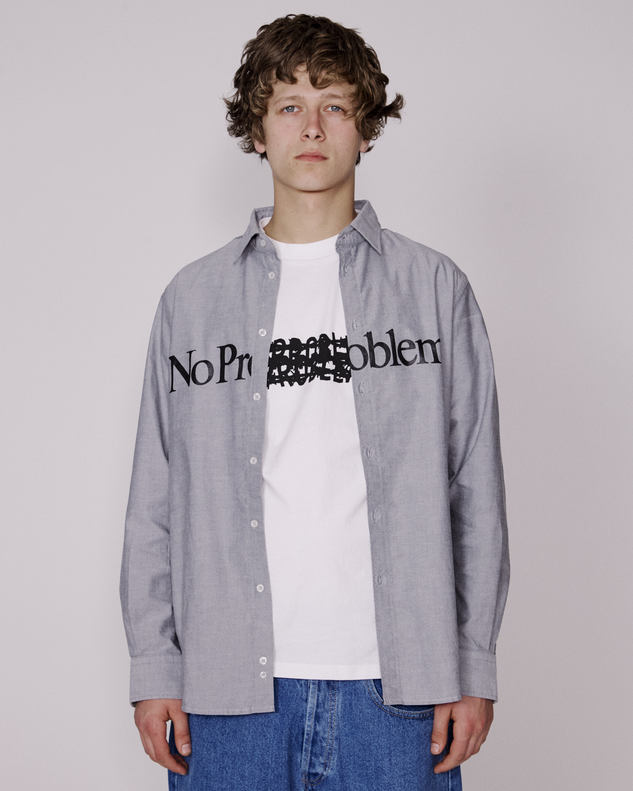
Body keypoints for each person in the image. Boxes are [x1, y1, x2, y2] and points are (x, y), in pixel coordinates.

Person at [120, 14, 510, 791]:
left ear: (364, 128)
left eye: (334, 104)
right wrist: (155, 664)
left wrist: (471, 664)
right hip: (228, 692)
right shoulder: (192, 300)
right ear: (256, 130)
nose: (311, 126)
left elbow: (475, 488)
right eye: (288, 105)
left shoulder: (434, 289)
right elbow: (154, 497)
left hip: (400, 688)